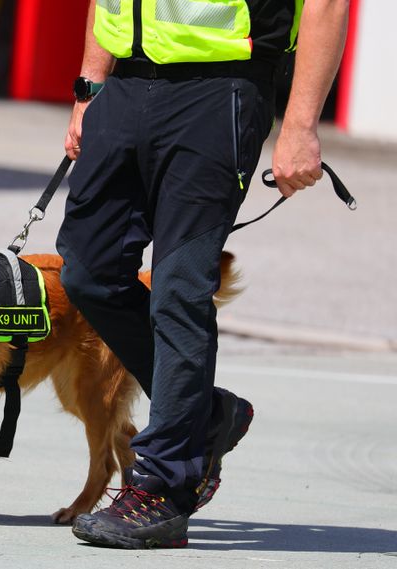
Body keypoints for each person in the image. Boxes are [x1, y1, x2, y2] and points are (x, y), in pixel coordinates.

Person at [57, 0, 350, 549]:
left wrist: (300, 124)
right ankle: (205, 414)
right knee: (87, 274)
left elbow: (327, 5)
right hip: (123, 89)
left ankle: (164, 488)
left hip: (219, 93)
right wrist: (89, 87)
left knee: (178, 289)